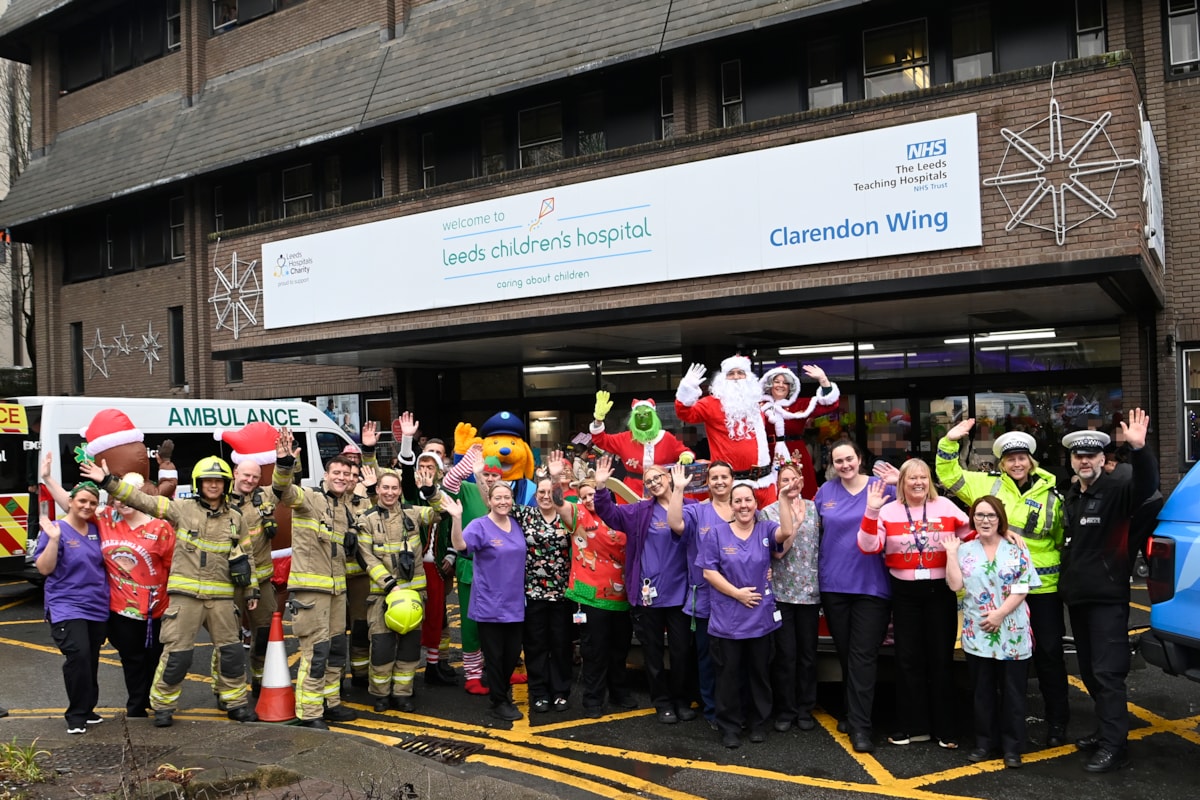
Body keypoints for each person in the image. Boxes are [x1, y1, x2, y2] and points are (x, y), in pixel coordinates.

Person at [81, 456, 259, 728]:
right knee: (177, 656)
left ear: (226, 484)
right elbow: (144, 501)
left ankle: (235, 703)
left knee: (232, 654)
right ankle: (163, 705)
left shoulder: (236, 518)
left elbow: (247, 556)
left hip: (222, 598)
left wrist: (252, 590)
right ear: (200, 483)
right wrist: (108, 482)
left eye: (219, 481)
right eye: (208, 480)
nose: (213, 485)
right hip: (185, 598)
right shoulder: (182, 509)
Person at [936, 423, 1068, 745]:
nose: (1017, 464)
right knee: (998, 661)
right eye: (1010, 459)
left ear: (1031, 461)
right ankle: (1001, 730)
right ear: (1002, 464)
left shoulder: (1053, 496)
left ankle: (1057, 724)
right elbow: (948, 474)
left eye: (1022, 458)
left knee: (1049, 655)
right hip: (999, 592)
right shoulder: (987, 485)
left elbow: (1061, 540)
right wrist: (949, 440)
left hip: (1043, 590)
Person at [1060, 411, 1157, 773]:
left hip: (1107, 600)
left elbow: (1148, 486)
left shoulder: (1119, 491)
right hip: (1080, 600)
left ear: (1103, 459)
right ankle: (1105, 732)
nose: (1084, 461)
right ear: (1072, 460)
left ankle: (1116, 747)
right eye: (1078, 456)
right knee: (1089, 672)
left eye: (1091, 456)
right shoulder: (1073, 495)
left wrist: (1140, 449)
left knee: (1107, 674)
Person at [41, 455, 175, 719]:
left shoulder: (160, 528)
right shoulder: (107, 521)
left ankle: (159, 705)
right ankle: (137, 708)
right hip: (119, 610)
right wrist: (46, 478)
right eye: (117, 498)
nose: (122, 502)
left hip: (156, 610)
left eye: (129, 497)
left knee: (157, 660)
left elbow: (174, 568)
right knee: (132, 661)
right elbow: (73, 505)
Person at [858, 458, 970, 749]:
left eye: (923, 477)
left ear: (929, 481)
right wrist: (870, 511)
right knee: (908, 660)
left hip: (939, 591)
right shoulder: (887, 511)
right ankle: (913, 726)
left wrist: (1004, 532)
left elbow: (973, 533)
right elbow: (869, 546)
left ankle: (946, 729)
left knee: (940, 660)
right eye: (912, 478)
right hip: (905, 591)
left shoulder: (945, 506)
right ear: (902, 483)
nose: (918, 482)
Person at [594, 456, 696, 724]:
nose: (653, 483)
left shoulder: (691, 507)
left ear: (670, 477)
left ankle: (682, 700)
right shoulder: (640, 511)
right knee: (652, 653)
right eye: (649, 480)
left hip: (681, 595)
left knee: (681, 652)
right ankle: (662, 703)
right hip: (648, 596)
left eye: (657, 477)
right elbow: (610, 515)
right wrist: (602, 488)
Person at [271, 427, 360, 729]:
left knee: (336, 650)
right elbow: (284, 491)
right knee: (316, 651)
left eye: (347, 474)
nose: (342, 477)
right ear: (326, 473)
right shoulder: (309, 498)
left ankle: (330, 702)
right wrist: (284, 463)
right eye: (337, 472)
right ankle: (310, 714)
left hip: (337, 590)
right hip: (311, 591)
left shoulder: (346, 506)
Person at [698, 472, 795, 748]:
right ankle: (729, 726)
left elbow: (786, 533)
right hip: (728, 620)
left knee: (759, 673)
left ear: (756, 504)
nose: (743, 505)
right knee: (728, 676)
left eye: (748, 500)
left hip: (760, 618)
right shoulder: (716, 534)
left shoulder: (765, 529)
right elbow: (708, 572)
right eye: (737, 500)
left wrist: (785, 499)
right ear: (731, 505)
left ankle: (758, 723)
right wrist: (737, 594)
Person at [945, 496, 1038, 769]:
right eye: (979, 515)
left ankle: (1013, 747)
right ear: (972, 518)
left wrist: (999, 614)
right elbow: (954, 585)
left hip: (1012, 630)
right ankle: (984, 742)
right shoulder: (965, 550)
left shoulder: (1016, 547)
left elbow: (1023, 587)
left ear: (1000, 519)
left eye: (991, 516)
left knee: (1012, 692)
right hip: (978, 632)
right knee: (982, 692)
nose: (985, 520)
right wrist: (951, 554)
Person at [813, 440, 894, 753]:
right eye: (838, 461)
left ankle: (861, 727)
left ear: (860, 459)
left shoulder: (881, 488)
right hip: (834, 585)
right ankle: (850, 711)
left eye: (849, 459)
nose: (844, 465)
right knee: (847, 653)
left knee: (862, 655)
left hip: (872, 586)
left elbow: (916, 504)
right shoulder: (825, 492)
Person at [547, 456, 635, 717]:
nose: (588, 499)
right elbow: (558, 503)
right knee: (594, 652)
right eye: (583, 495)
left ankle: (619, 692)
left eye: (592, 493)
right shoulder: (577, 515)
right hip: (590, 596)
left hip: (622, 597)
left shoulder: (621, 515)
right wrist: (555, 480)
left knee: (620, 650)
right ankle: (593, 700)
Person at [356, 466, 444, 712]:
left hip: (414, 595)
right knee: (382, 647)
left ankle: (402, 694)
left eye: (394, 488)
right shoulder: (367, 520)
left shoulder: (414, 513)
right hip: (382, 595)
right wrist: (389, 585)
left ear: (400, 491)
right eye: (385, 487)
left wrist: (431, 491)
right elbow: (365, 557)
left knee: (409, 648)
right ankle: (381, 695)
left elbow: (442, 512)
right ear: (378, 489)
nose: (390, 492)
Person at [33, 483, 108, 734]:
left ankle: (88, 709)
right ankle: (75, 715)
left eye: (92, 503)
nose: (87, 506)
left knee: (92, 659)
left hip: (96, 605)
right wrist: (53, 540)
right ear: (71, 502)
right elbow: (44, 569)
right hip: (66, 605)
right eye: (82, 501)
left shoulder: (96, 529)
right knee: (79, 655)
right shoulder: (56, 529)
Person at [667, 460, 735, 728]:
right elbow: (675, 523)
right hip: (707, 598)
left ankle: (736, 707)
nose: (719, 481)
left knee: (736, 658)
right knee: (708, 658)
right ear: (707, 482)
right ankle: (712, 710)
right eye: (714, 477)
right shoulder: (697, 511)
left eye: (724, 477)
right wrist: (678, 489)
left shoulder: (744, 506)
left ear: (732, 480)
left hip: (739, 598)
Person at [452, 482, 526, 722]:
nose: (503, 501)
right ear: (489, 501)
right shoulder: (479, 525)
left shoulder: (516, 524)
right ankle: (499, 701)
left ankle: (501, 695)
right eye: (498, 498)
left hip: (515, 602)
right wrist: (456, 518)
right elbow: (461, 546)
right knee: (494, 656)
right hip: (490, 603)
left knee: (512, 654)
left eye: (507, 497)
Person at [761, 461, 820, 733]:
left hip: (810, 593)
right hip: (782, 593)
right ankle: (785, 709)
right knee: (785, 655)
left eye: (793, 479)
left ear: (801, 481)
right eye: (783, 480)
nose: (789, 484)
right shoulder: (768, 513)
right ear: (777, 484)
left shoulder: (815, 508)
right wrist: (794, 523)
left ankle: (806, 708)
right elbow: (777, 552)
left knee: (808, 654)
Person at [510, 465, 574, 712]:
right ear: (535, 496)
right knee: (536, 645)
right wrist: (483, 475)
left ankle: (560, 691)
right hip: (533, 593)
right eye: (541, 493)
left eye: (550, 492)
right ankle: (538, 692)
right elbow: (495, 501)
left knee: (561, 644)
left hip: (562, 593)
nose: (546, 496)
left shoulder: (567, 514)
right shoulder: (527, 515)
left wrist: (557, 478)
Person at [676, 355, 776, 506]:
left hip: (764, 483)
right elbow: (685, 414)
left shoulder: (756, 403)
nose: (736, 377)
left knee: (772, 527)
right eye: (731, 374)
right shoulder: (711, 403)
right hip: (730, 486)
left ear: (748, 377)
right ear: (723, 379)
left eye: (740, 373)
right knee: (731, 528)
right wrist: (686, 389)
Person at [228, 458, 279, 695]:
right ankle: (227, 691)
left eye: (255, 477)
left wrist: (287, 461)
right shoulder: (219, 499)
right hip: (229, 583)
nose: (250, 480)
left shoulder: (265, 497)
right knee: (228, 640)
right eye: (246, 475)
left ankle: (260, 681)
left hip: (263, 581)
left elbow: (284, 482)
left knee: (265, 633)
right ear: (235, 472)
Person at [759, 365, 840, 499]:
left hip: (796, 453)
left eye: (785, 383)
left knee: (803, 488)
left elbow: (829, 404)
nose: (781, 385)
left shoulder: (800, 405)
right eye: (777, 381)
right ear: (769, 384)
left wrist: (823, 379)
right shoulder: (759, 406)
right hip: (768, 454)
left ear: (791, 387)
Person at [589, 393, 694, 497]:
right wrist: (598, 420)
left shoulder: (667, 437)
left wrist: (686, 456)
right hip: (632, 491)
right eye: (638, 416)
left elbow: (684, 451)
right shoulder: (624, 438)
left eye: (646, 415)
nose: (642, 419)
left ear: (653, 417)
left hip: (663, 489)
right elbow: (601, 440)